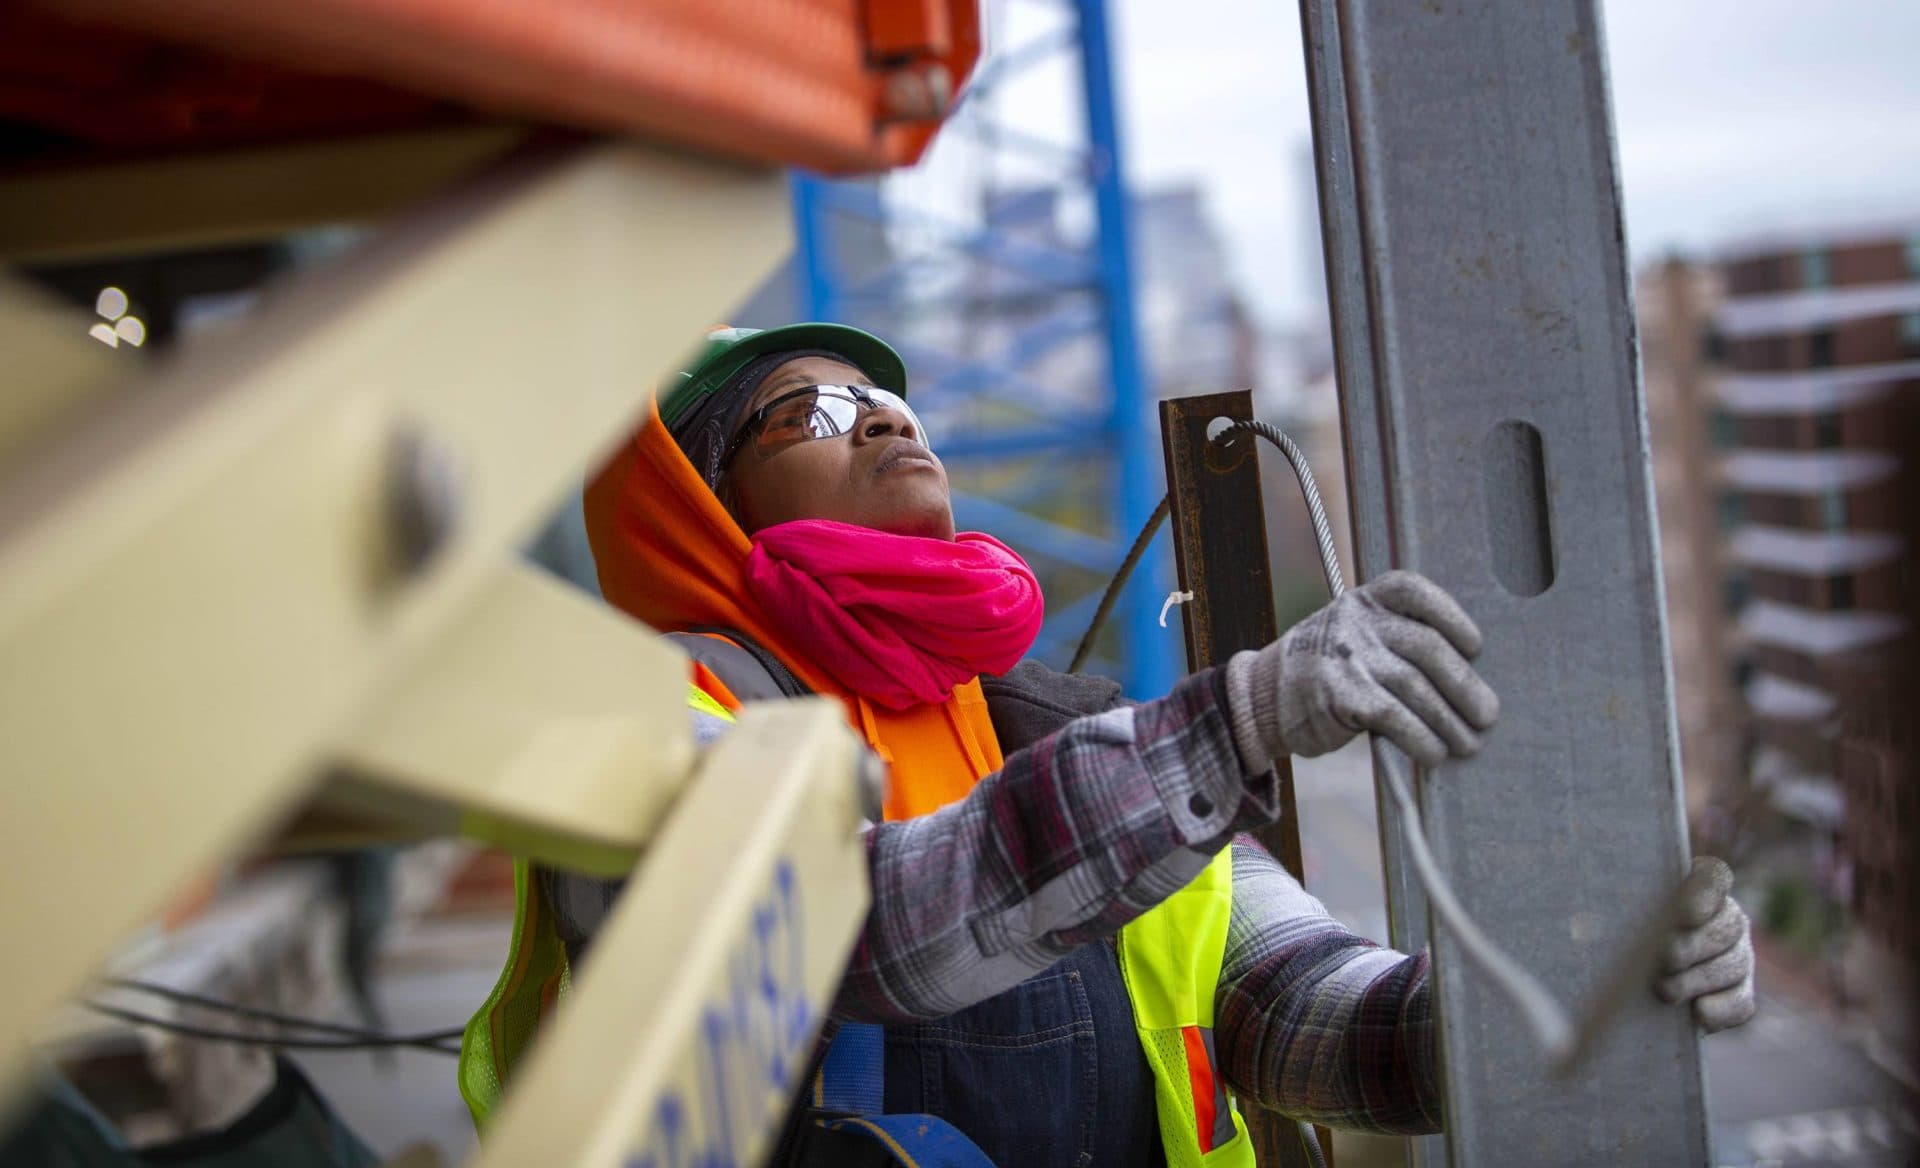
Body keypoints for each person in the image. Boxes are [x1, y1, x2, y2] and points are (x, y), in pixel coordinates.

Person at [464, 324, 1757, 1166]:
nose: (882, 420)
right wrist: (1236, 723)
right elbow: (857, 930)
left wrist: (1571, 1001)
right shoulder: (646, 726)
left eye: (884, 398)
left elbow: (1296, 1011)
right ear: (695, 507)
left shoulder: (1053, 730)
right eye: (806, 414)